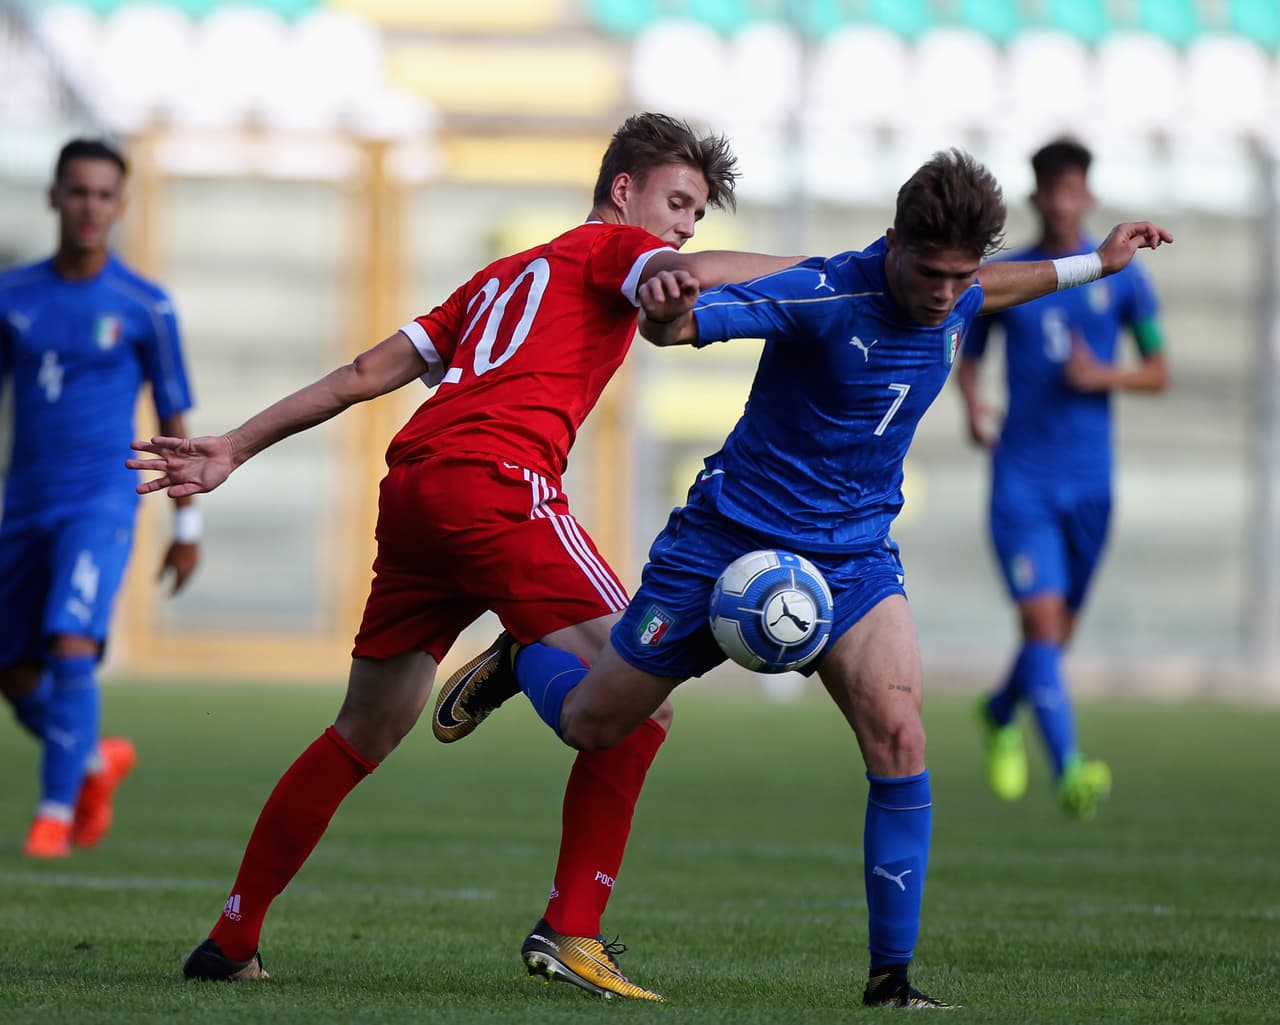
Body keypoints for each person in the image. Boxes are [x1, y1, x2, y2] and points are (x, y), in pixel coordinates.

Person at [450, 149, 1172, 1009]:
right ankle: (527, 651)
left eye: (960, 276)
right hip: (727, 545)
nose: (947, 294)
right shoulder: (825, 292)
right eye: (932, 273)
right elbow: (682, 328)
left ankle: (890, 980)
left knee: (901, 739)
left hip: (857, 556)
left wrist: (1100, 261)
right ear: (895, 242)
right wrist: (662, 312)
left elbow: (999, 287)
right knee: (592, 722)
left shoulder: (964, 286)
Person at [127, 113, 799, 997]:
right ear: (623, 189)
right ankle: (571, 926)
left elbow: (368, 369)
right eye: (676, 202)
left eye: (696, 215)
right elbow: (684, 275)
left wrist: (237, 445)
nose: (681, 227)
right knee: (641, 702)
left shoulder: (501, 276)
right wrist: (847, 272)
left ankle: (230, 936)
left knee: (362, 730)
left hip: (414, 490)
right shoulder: (611, 249)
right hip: (498, 484)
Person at [957, 139, 1169, 821]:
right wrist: (972, 403)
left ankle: (997, 710)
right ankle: (1072, 770)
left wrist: (1103, 375)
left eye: (1072, 187)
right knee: (1043, 624)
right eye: (1050, 189)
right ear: (1036, 196)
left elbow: (1159, 369)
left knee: (1053, 636)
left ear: (1087, 195)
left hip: (1091, 484)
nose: (1061, 200)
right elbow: (968, 349)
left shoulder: (1126, 276)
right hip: (1022, 479)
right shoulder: (1012, 275)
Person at [0, 138, 199, 859]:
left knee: (70, 640)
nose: (90, 206)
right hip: (24, 504)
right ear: (53, 197)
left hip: (101, 501)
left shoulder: (146, 305)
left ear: (120, 206)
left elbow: (174, 415)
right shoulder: (10, 295)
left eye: (103, 194)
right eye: (77, 191)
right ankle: (92, 760)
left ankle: (54, 815)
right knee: (13, 668)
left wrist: (188, 519)